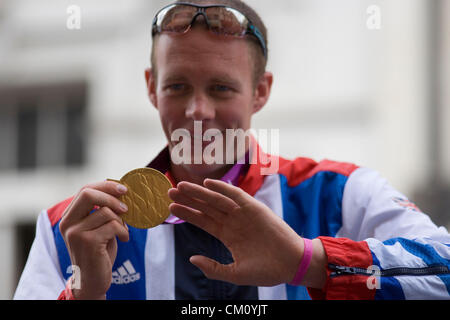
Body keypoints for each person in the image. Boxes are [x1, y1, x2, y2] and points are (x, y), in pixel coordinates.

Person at [14, 0, 450, 300]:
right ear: (151, 88)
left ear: (261, 92)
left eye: (221, 88)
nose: (198, 111)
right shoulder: (67, 228)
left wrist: (306, 262)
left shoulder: (338, 193)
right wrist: (84, 293)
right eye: (177, 86)